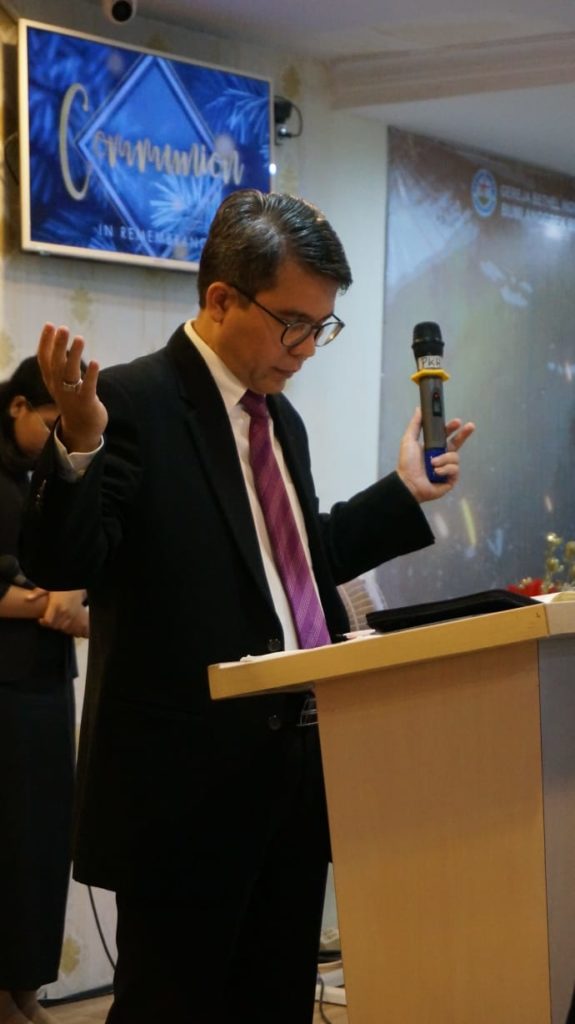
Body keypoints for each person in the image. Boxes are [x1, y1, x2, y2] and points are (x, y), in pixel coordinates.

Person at [20, 189, 474, 1024]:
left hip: (293, 774)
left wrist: (404, 492)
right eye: (292, 323)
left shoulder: (278, 420)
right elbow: (64, 563)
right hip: (186, 791)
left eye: (321, 327)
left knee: (273, 1005)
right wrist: (79, 443)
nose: (306, 350)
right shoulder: (133, 402)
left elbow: (295, 566)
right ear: (222, 298)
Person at [0, 358, 88, 1024]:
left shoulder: (46, 479)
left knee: (46, 842)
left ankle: (26, 990)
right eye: (53, 422)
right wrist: (50, 603)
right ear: (18, 407)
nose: (59, 437)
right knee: (9, 843)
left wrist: (71, 598)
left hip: (48, 679)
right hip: (4, 686)